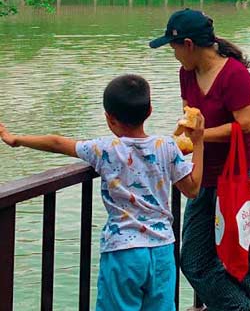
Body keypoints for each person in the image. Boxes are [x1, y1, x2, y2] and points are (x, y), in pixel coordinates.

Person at [0, 74, 205, 311]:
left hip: (122, 251)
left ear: (109, 117)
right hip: (162, 251)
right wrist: (198, 142)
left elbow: (57, 142)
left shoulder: (104, 149)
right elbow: (192, 188)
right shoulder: (167, 147)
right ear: (149, 111)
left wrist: (16, 139)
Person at [149, 8, 250, 311]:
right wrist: (178, 142)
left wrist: (201, 136)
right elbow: (192, 119)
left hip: (243, 176)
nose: (173, 54)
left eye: (174, 47)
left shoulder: (235, 75)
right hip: (206, 177)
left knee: (249, 260)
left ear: (188, 44)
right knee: (193, 259)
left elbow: (246, 125)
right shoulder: (187, 74)